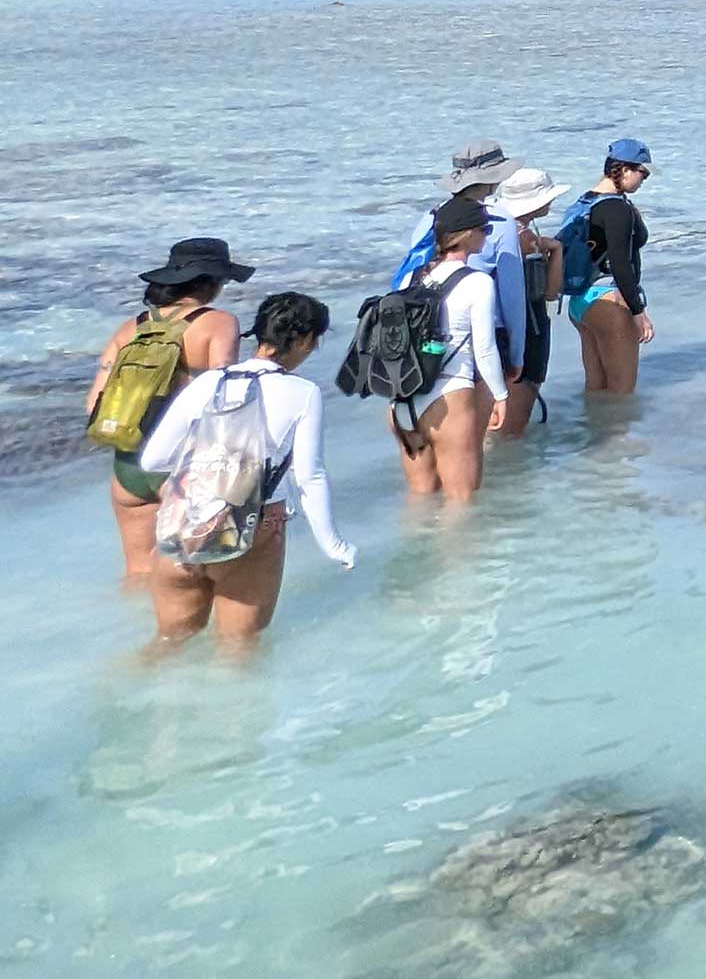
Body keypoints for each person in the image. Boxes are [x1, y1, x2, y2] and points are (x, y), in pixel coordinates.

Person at [135, 291, 357, 650]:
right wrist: (334, 546)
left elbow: (152, 460)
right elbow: (309, 476)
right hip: (252, 531)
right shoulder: (303, 392)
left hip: (183, 527)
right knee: (238, 651)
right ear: (302, 339)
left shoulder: (209, 381)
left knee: (166, 644)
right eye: (313, 343)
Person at [84, 238, 246, 578]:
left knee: (139, 574)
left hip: (127, 467)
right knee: (196, 577)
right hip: (180, 464)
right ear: (209, 282)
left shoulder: (131, 327)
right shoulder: (219, 323)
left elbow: (93, 406)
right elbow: (223, 403)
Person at [398, 140, 536, 431]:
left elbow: (410, 281)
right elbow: (513, 297)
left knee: (439, 431)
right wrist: (517, 355)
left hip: (430, 334)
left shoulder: (430, 218)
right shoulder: (499, 222)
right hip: (482, 339)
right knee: (479, 437)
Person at [393, 194, 509, 502]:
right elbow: (484, 348)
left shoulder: (412, 276)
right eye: (485, 229)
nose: (487, 235)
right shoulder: (478, 282)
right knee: (460, 502)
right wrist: (500, 395)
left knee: (419, 499)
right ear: (469, 233)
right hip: (449, 396)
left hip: (403, 399)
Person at [563, 139, 655, 397]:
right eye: (642, 173)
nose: (644, 179)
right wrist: (638, 312)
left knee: (595, 390)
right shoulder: (616, 208)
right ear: (625, 170)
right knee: (621, 395)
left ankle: (589, 436)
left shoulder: (585, 202)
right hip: (610, 301)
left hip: (581, 301)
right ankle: (618, 438)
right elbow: (620, 263)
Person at [488, 165, 566, 434]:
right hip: (526, 328)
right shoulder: (525, 238)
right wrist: (556, 251)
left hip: (492, 328)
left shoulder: (490, 228)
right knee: (512, 428)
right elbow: (549, 292)